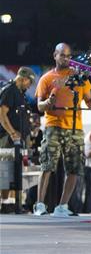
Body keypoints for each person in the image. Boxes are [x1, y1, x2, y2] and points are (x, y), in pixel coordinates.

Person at [33, 43, 91, 216]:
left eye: (69, 56)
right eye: (62, 55)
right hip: (53, 126)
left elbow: (89, 101)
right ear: (55, 55)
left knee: (75, 168)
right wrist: (48, 103)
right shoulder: (47, 78)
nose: (66, 58)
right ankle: (40, 205)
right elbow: (40, 106)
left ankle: (62, 206)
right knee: (47, 166)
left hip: (75, 128)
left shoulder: (79, 77)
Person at [0, 67, 36, 201]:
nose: (29, 86)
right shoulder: (10, 90)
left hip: (18, 140)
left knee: (15, 172)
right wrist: (12, 132)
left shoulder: (20, 92)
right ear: (23, 79)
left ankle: (11, 203)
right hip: (9, 139)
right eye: (29, 82)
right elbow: (1, 114)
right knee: (6, 171)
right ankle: (4, 203)